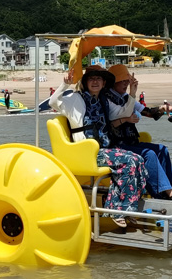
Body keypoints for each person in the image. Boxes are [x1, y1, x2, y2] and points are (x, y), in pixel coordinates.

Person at [48, 65, 147, 227]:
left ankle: (129, 207)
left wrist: (133, 93)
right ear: (85, 82)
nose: (95, 82)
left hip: (104, 150)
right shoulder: (75, 98)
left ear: (103, 83)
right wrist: (65, 84)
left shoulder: (103, 100)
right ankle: (116, 209)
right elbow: (53, 102)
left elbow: (124, 112)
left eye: (98, 79)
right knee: (128, 161)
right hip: (86, 152)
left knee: (138, 159)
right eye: (91, 79)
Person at [104, 65, 172, 201]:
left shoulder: (124, 96)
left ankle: (168, 190)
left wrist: (162, 109)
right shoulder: (106, 98)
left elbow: (146, 112)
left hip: (130, 142)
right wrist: (133, 93)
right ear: (113, 82)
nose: (125, 84)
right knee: (149, 154)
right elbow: (123, 112)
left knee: (161, 150)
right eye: (122, 81)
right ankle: (167, 192)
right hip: (116, 145)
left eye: (127, 81)